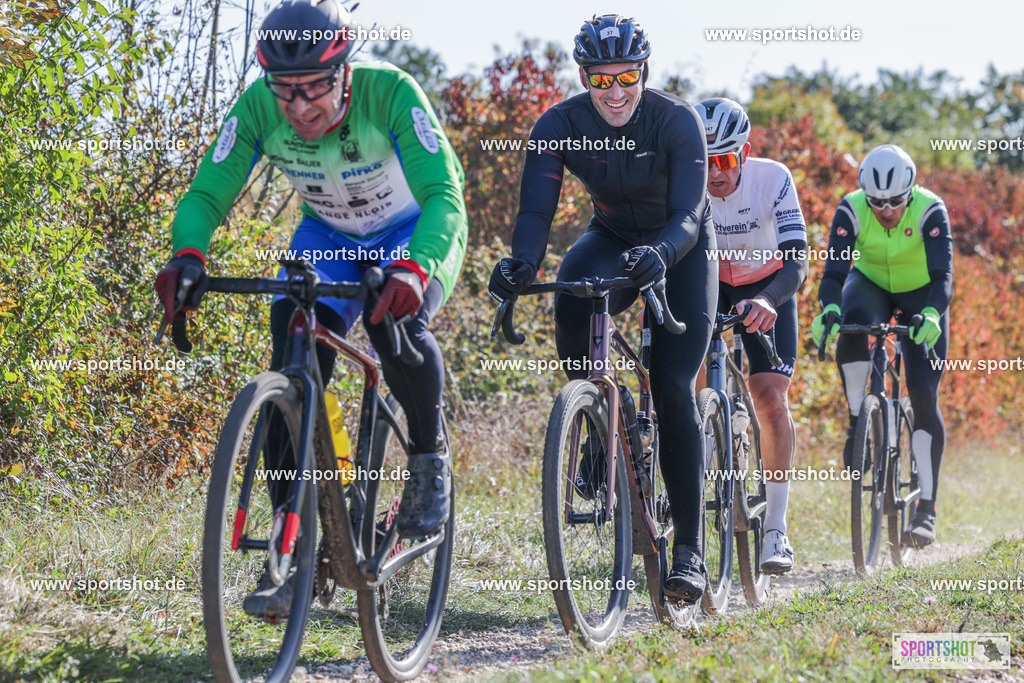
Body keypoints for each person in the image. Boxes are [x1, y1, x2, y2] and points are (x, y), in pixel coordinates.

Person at [154, 0, 467, 617]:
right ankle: (295, 543)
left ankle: (429, 459)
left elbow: (442, 195)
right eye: (285, 91)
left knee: (392, 319)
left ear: (345, 72)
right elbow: (206, 194)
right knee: (292, 358)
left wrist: (415, 265)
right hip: (327, 237)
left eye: (315, 88)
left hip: (413, 230)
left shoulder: (391, 93)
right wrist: (187, 255)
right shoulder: (256, 108)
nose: (299, 108)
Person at [488, 14, 717, 603]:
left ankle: (689, 548)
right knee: (573, 290)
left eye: (627, 77)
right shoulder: (559, 124)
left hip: (683, 247)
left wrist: (662, 254)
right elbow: (536, 213)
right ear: (584, 78)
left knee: (670, 381)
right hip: (612, 236)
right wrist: (521, 264)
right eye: (600, 79)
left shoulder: (676, 119)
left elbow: (690, 216)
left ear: (645, 71)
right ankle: (597, 418)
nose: (615, 92)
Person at [812, 144, 952, 547]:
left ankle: (926, 507)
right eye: (877, 202)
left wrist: (930, 315)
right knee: (851, 325)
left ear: (910, 193)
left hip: (922, 293)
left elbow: (943, 277)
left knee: (924, 394)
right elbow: (834, 273)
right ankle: (859, 421)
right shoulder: (851, 209)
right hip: (871, 282)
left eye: (894, 201)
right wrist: (830, 308)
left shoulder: (930, 210)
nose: (886, 209)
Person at [694, 97, 808, 574]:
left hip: (768, 285)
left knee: (770, 399)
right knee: (688, 384)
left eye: (724, 160)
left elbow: (798, 258)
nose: (715, 173)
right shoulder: (686, 182)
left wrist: (769, 300)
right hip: (711, 283)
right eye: (706, 162)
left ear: (743, 153)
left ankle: (777, 530)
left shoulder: (773, 178)